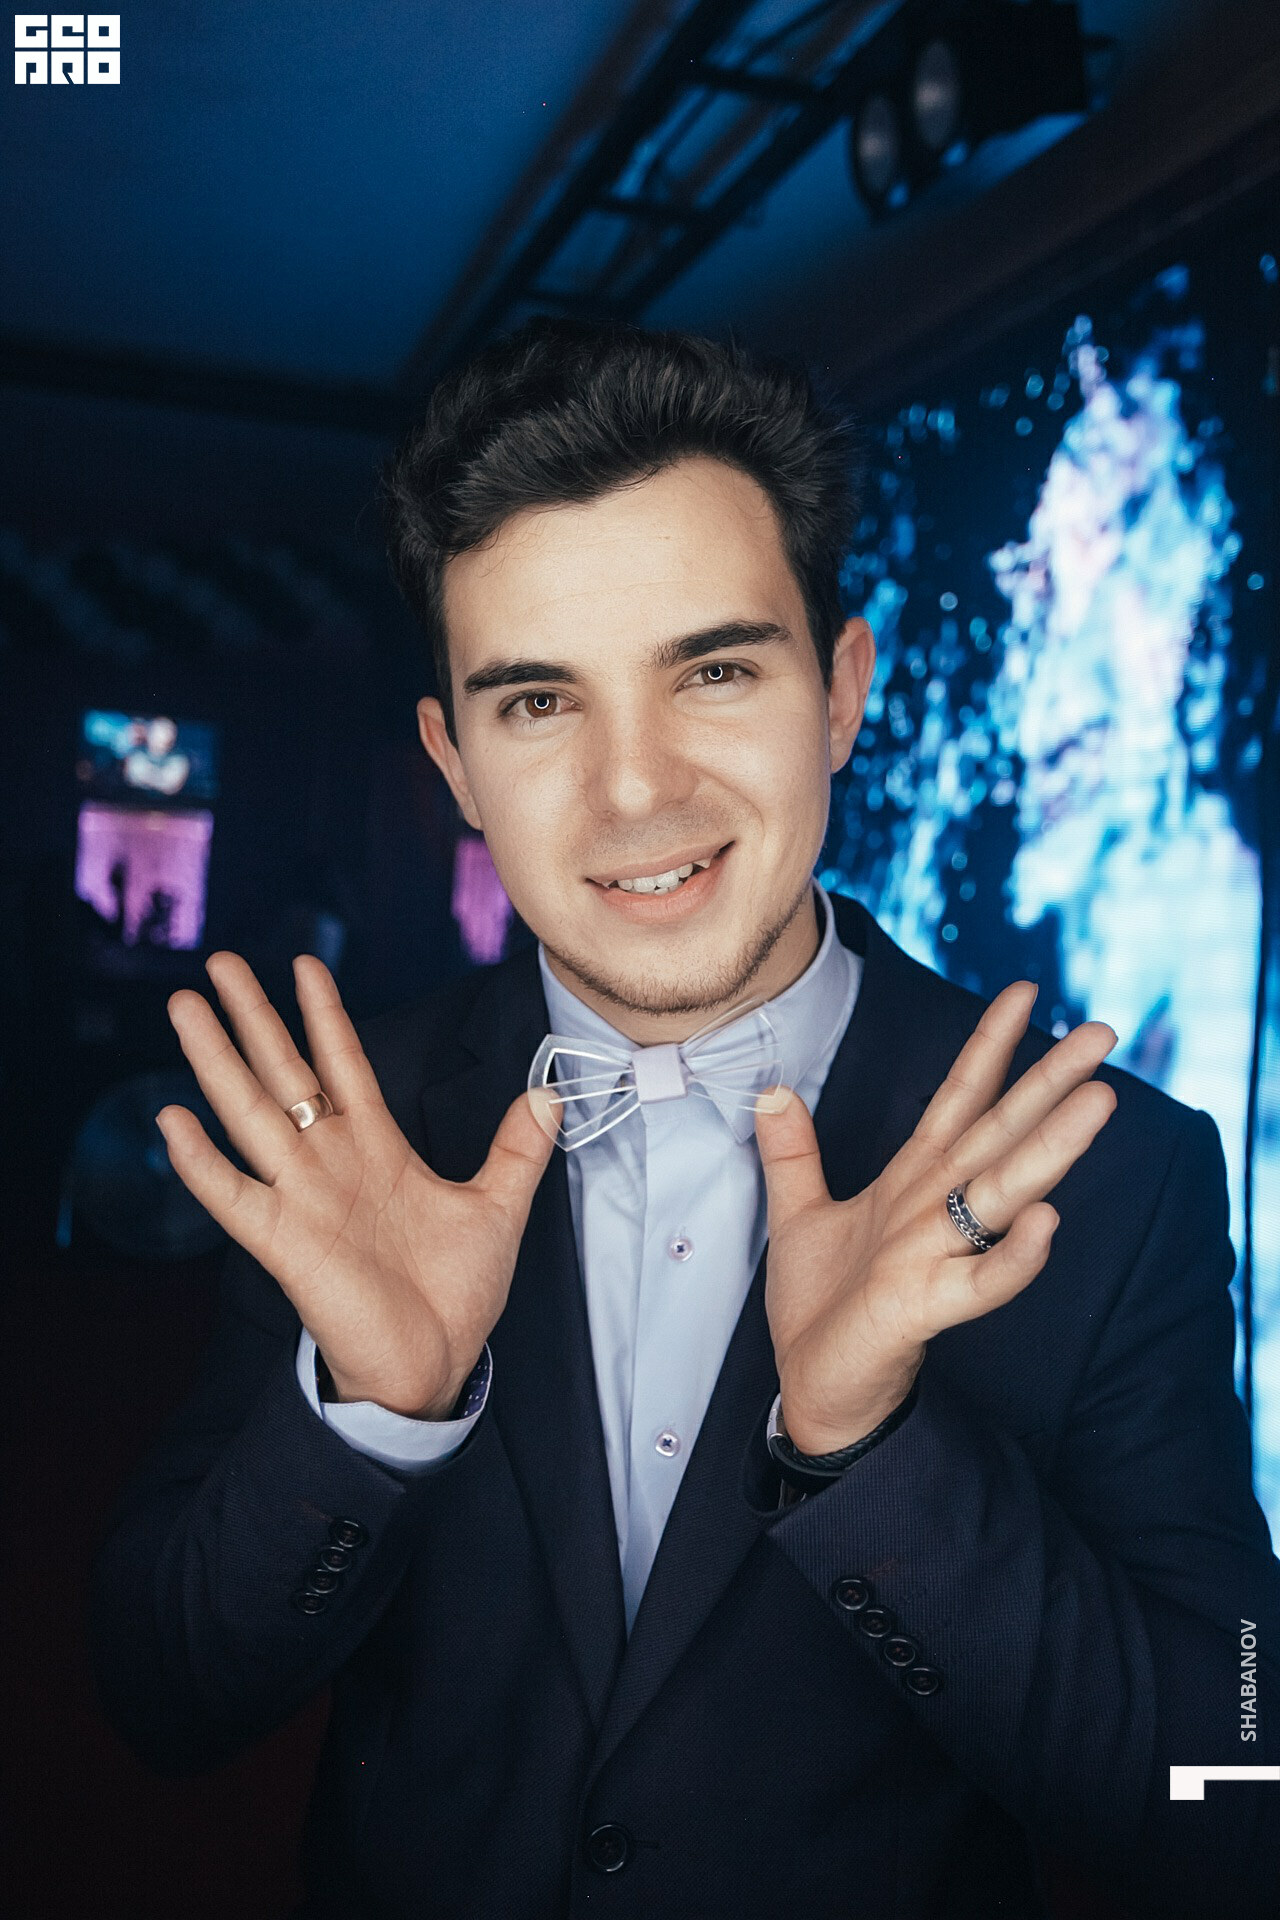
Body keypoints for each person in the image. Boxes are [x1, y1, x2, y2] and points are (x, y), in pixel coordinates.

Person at [89, 320, 1280, 1920]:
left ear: (841, 692)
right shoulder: (344, 1131)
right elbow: (160, 1696)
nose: (637, 789)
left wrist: (873, 1452)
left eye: (714, 671)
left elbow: (1237, 1791)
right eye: (538, 703)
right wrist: (371, 1416)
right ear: (455, 762)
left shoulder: (1118, 1170)